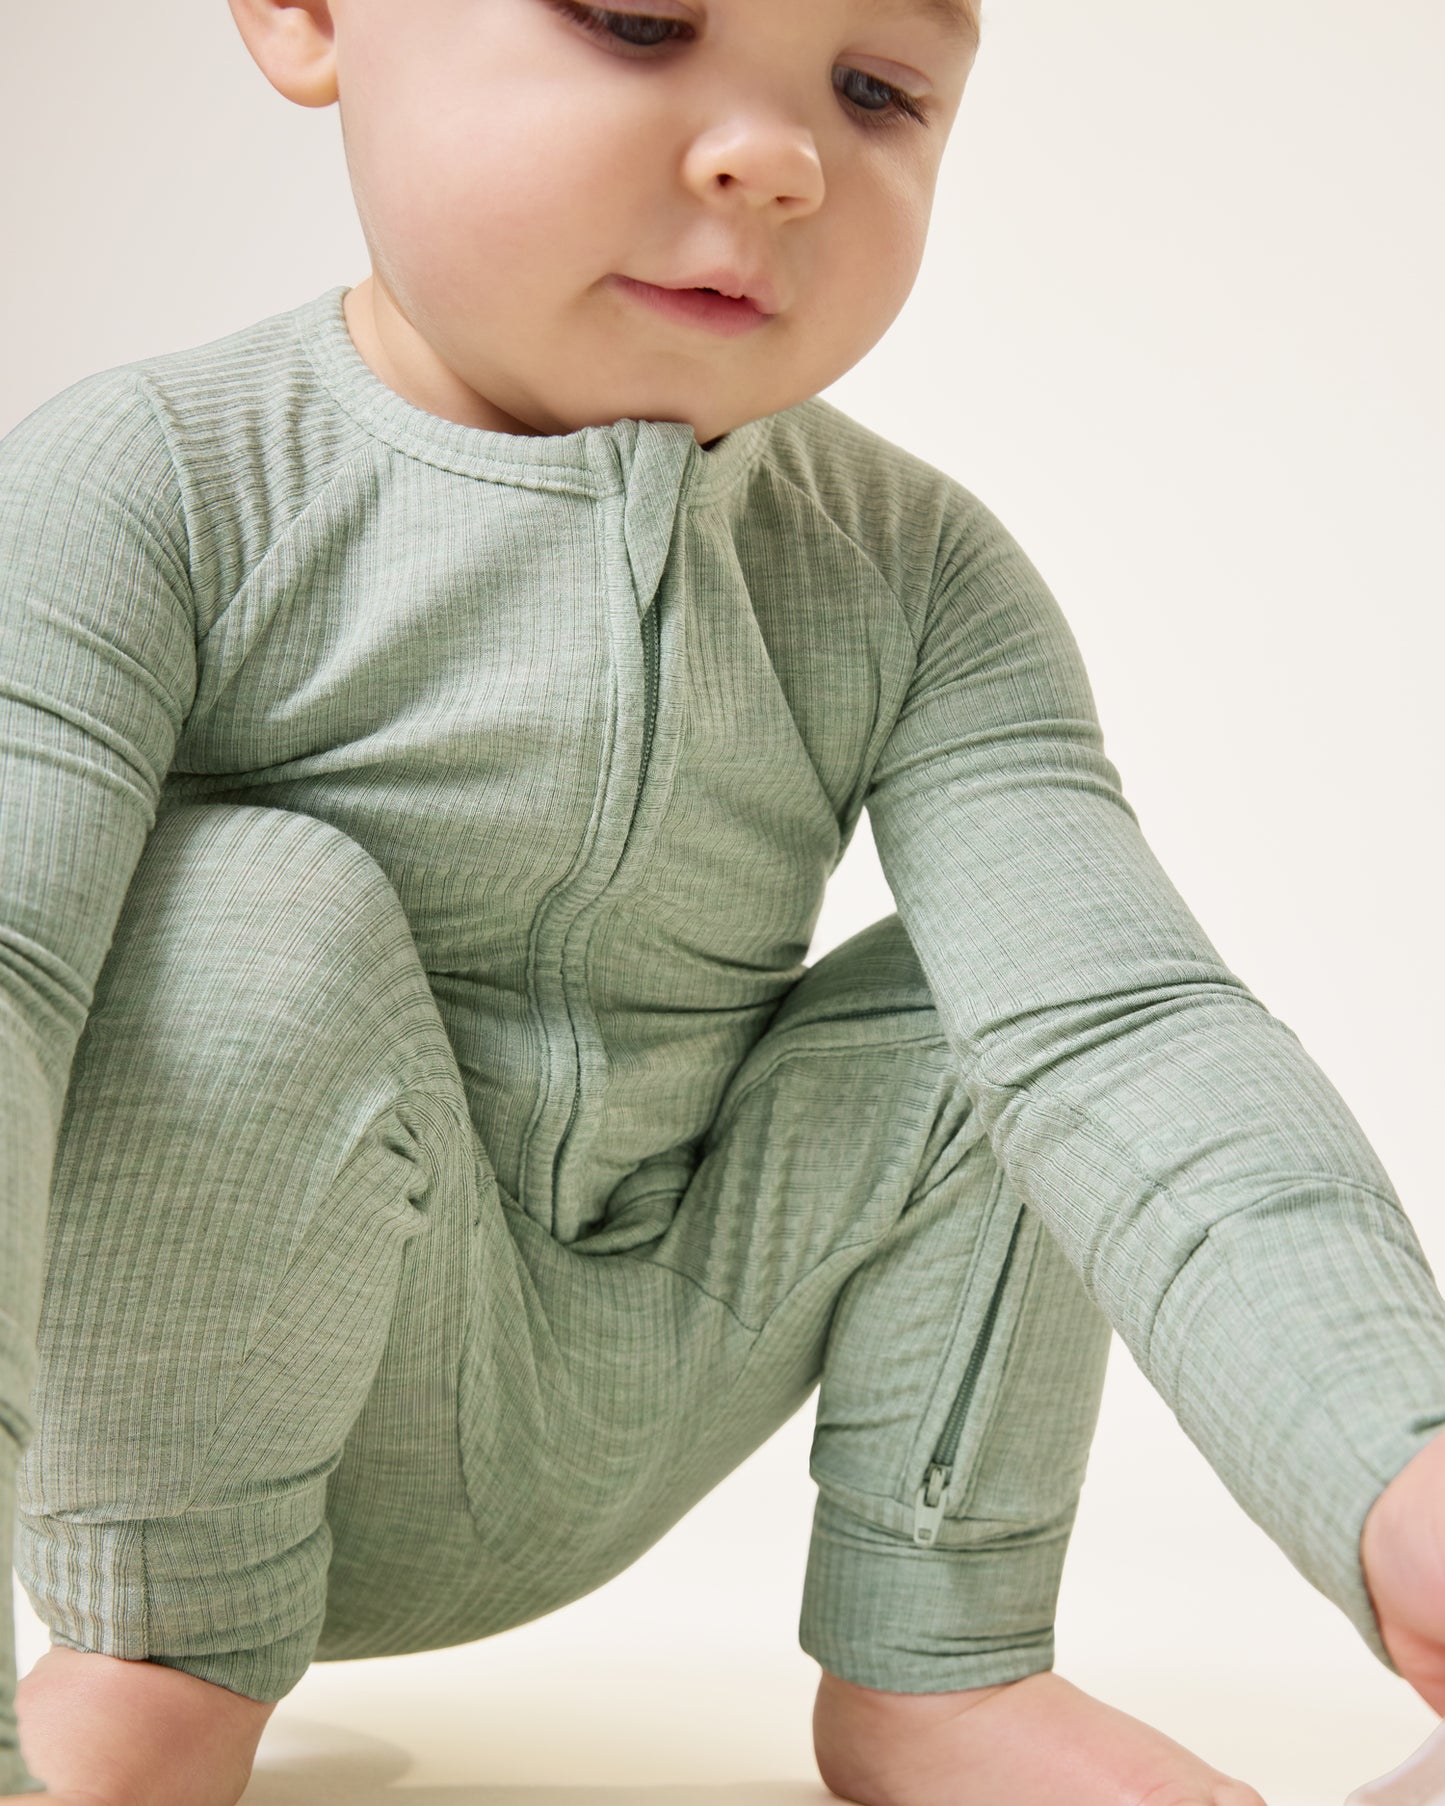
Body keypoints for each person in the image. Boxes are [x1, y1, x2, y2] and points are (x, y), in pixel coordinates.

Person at [2, 1, 1443, 1800]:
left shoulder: (918, 577)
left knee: (999, 1006)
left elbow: (1120, 1025)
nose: (778, 155)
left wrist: (1398, 1463)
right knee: (235, 906)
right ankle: (155, 1659)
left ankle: (944, 1663)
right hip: (209, 1425)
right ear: (307, 14)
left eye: (874, 89)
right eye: (635, 17)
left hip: (641, 1371)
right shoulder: (150, 484)